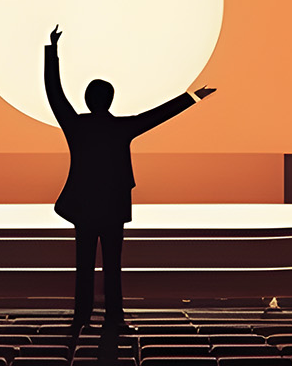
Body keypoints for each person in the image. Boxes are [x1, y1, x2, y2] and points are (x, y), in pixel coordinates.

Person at [43, 25, 215, 334]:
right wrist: (193, 97)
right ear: (110, 100)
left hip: (83, 205)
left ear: (87, 100)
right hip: (111, 206)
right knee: (113, 266)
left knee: (84, 265)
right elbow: (158, 115)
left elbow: (54, 94)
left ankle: (81, 317)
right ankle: (114, 318)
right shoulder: (122, 127)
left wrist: (51, 50)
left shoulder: (75, 125)